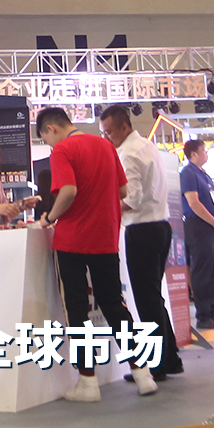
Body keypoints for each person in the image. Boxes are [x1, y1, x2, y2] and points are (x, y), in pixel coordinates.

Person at [34, 107, 159, 400]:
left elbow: (68, 191)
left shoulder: (63, 150)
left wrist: (49, 217)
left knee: (77, 311)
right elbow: (123, 191)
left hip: (72, 241)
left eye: (45, 139)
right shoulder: (106, 146)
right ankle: (142, 374)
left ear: (51, 129)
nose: (49, 145)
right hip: (106, 238)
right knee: (115, 306)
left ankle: (88, 383)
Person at [101, 105, 185, 380]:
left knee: (147, 301)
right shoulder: (148, 145)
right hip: (161, 227)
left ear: (124, 127)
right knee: (154, 298)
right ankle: (170, 358)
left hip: (142, 231)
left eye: (109, 132)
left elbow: (131, 198)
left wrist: (103, 208)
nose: (107, 137)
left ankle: (156, 365)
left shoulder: (127, 153)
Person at [180, 140, 214, 330]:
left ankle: (212, 312)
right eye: (203, 150)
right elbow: (193, 203)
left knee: (212, 270)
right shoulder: (188, 173)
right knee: (201, 271)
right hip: (199, 226)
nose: (206, 153)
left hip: (211, 226)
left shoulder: (204, 175)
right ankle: (203, 315)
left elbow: (212, 200)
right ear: (193, 154)